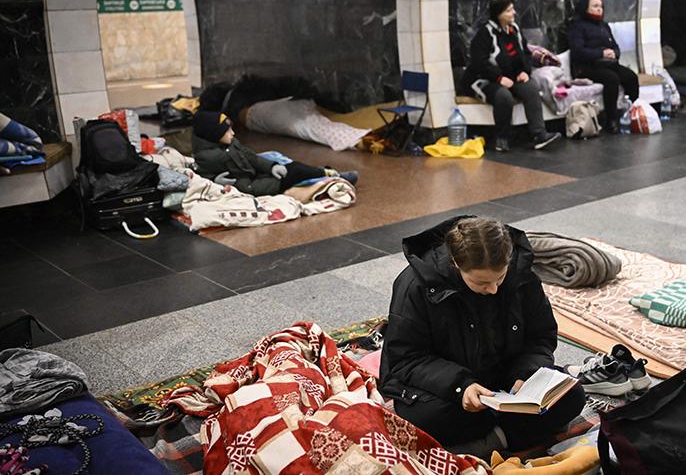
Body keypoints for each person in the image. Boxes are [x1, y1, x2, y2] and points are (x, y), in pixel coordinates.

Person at [379, 216, 586, 460]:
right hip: (445, 388)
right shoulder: (416, 286)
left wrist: (524, 373)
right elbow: (406, 359)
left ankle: (490, 441)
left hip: (503, 382)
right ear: (457, 263)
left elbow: (541, 336)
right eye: (481, 282)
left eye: (500, 278)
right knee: (428, 418)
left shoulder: (522, 274)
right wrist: (461, 386)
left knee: (573, 395)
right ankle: (511, 435)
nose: (494, 289)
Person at [461, 0, 562, 152]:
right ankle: (502, 138)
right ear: (498, 13)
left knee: (531, 88)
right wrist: (499, 78)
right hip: (486, 80)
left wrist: (524, 71)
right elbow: (479, 63)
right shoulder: (484, 34)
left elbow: (526, 53)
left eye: (513, 9)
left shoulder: (514, 29)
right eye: (509, 10)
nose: (514, 12)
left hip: (512, 76)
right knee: (503, 96)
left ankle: (539, 135)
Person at [191, 111, 358, 195]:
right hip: (251, 185)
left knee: (275, 158)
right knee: (296, 172)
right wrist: (215, 182)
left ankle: (323, 173)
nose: (233, 133)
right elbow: (201, 177)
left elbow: (250, 156)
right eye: (227, 131)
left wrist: (271, 167)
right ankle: (332, 177)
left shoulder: (228, 144)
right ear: (214, 135)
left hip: (253, 173)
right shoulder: (209, 157)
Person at [568, 0, 640, 133]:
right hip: (586, 66)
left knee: (630, 76)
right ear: (585, 8)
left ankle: (633, 112)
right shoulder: (577, 27)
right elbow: (578, 51)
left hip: (607, 63)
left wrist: (614, 53)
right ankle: (611, 120)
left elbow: (615, 46)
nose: (599, 9)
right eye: (595, 6)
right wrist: (600, 53)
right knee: (612, 78)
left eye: (601, 6)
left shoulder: (604, 26)